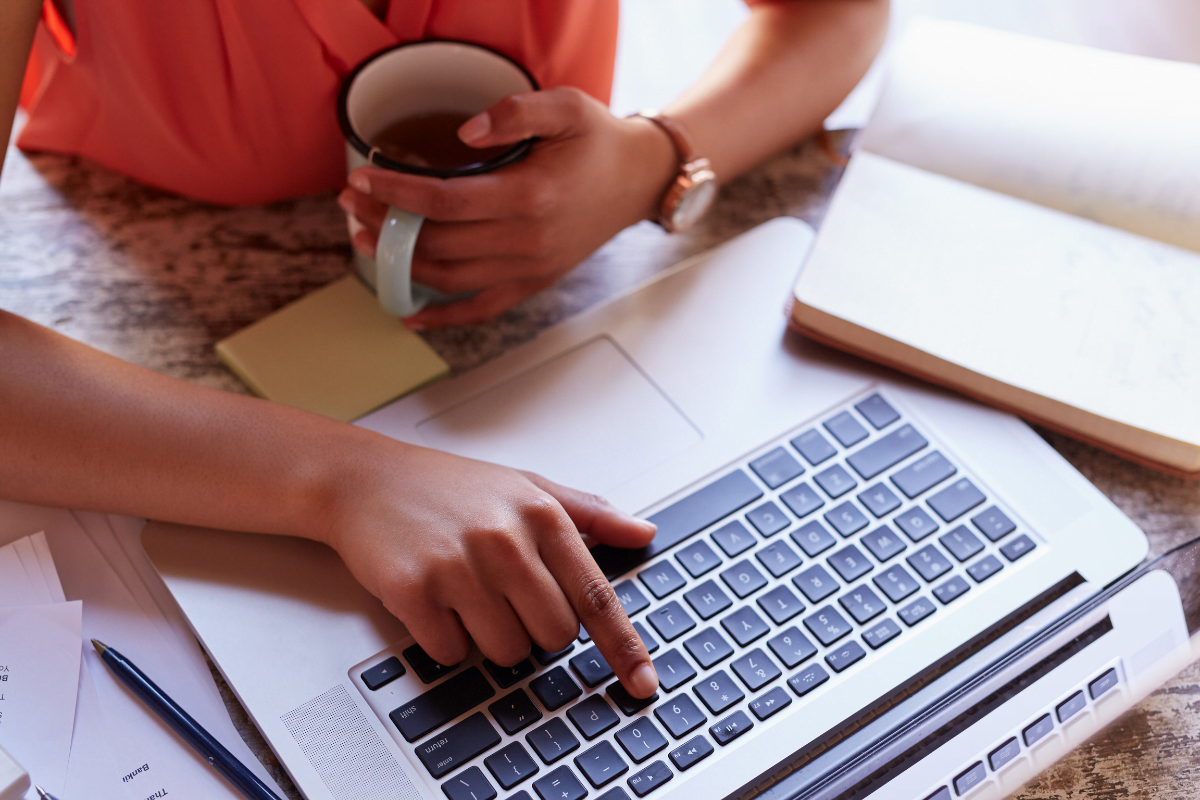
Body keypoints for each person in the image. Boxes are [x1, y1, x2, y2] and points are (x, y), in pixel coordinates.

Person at [0, 0, 887, 699]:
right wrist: (341, 478)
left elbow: (839, 14)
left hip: (592, 333)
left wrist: (654, 163)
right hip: (151, 349)